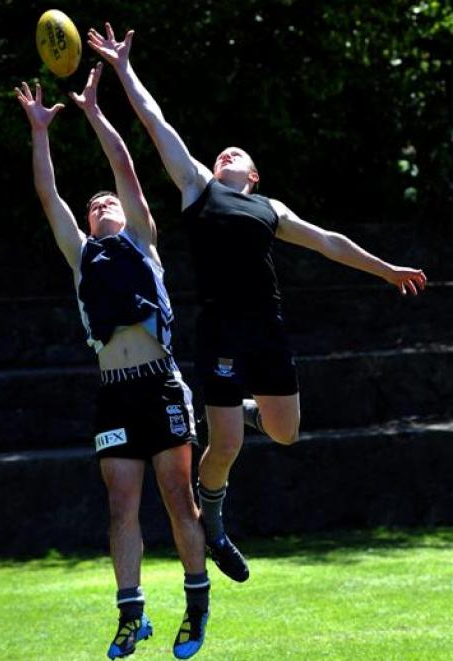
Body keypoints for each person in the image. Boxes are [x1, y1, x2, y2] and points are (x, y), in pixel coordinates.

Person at [86, 24, 428, 584]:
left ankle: (245, 414)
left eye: (237, 152)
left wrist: (386, 270)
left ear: (254, 175)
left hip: (266, 328)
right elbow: (156, 123)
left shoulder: (271, 208)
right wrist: (124, 67)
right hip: (220, 329)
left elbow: (329, 242)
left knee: (288, 431)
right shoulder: (198, 186)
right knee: (224, 446)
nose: (226, 151)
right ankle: (214, 518)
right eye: (224, 151)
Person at [14, 63, 210, 660]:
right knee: (121, 504)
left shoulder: (143, 244)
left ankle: (196, 605)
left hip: (159, 386)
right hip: (114, 393)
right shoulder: (81, 258)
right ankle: (132, 615)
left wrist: (95, 112)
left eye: (107, 201)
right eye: (94, 202)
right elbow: (49, 196)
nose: (100, 204)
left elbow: (124, 171)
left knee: (178, 496)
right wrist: (41, 130)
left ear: (126, 213)